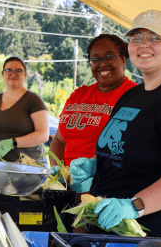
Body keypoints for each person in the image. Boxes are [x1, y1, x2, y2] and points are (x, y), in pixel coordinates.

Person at [70, 10, 161, 243]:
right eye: (136, 38)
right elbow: (132, 153)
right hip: (118, 230)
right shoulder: (133, 95)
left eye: (155, 38)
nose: (143, 44)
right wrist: (95, 167)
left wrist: (135, 206)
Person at [49, 34, 137, 195]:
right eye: (95, 59)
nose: (102, 64)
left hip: (107, 191)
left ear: (123, 59)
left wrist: (95, 170)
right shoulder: (79, 94)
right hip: (67, 190)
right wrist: (59, 173)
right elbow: (59, 140)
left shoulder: (135, 96)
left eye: (109, 57)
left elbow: (133, 150)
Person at [0, 56, 49, 164]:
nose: (13, 74)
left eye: (18, 71)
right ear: (3, 74)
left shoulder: (34, 100)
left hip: (30, 168)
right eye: (8, 70)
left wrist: (13, 143)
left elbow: (43, 134)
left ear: (25, 75)